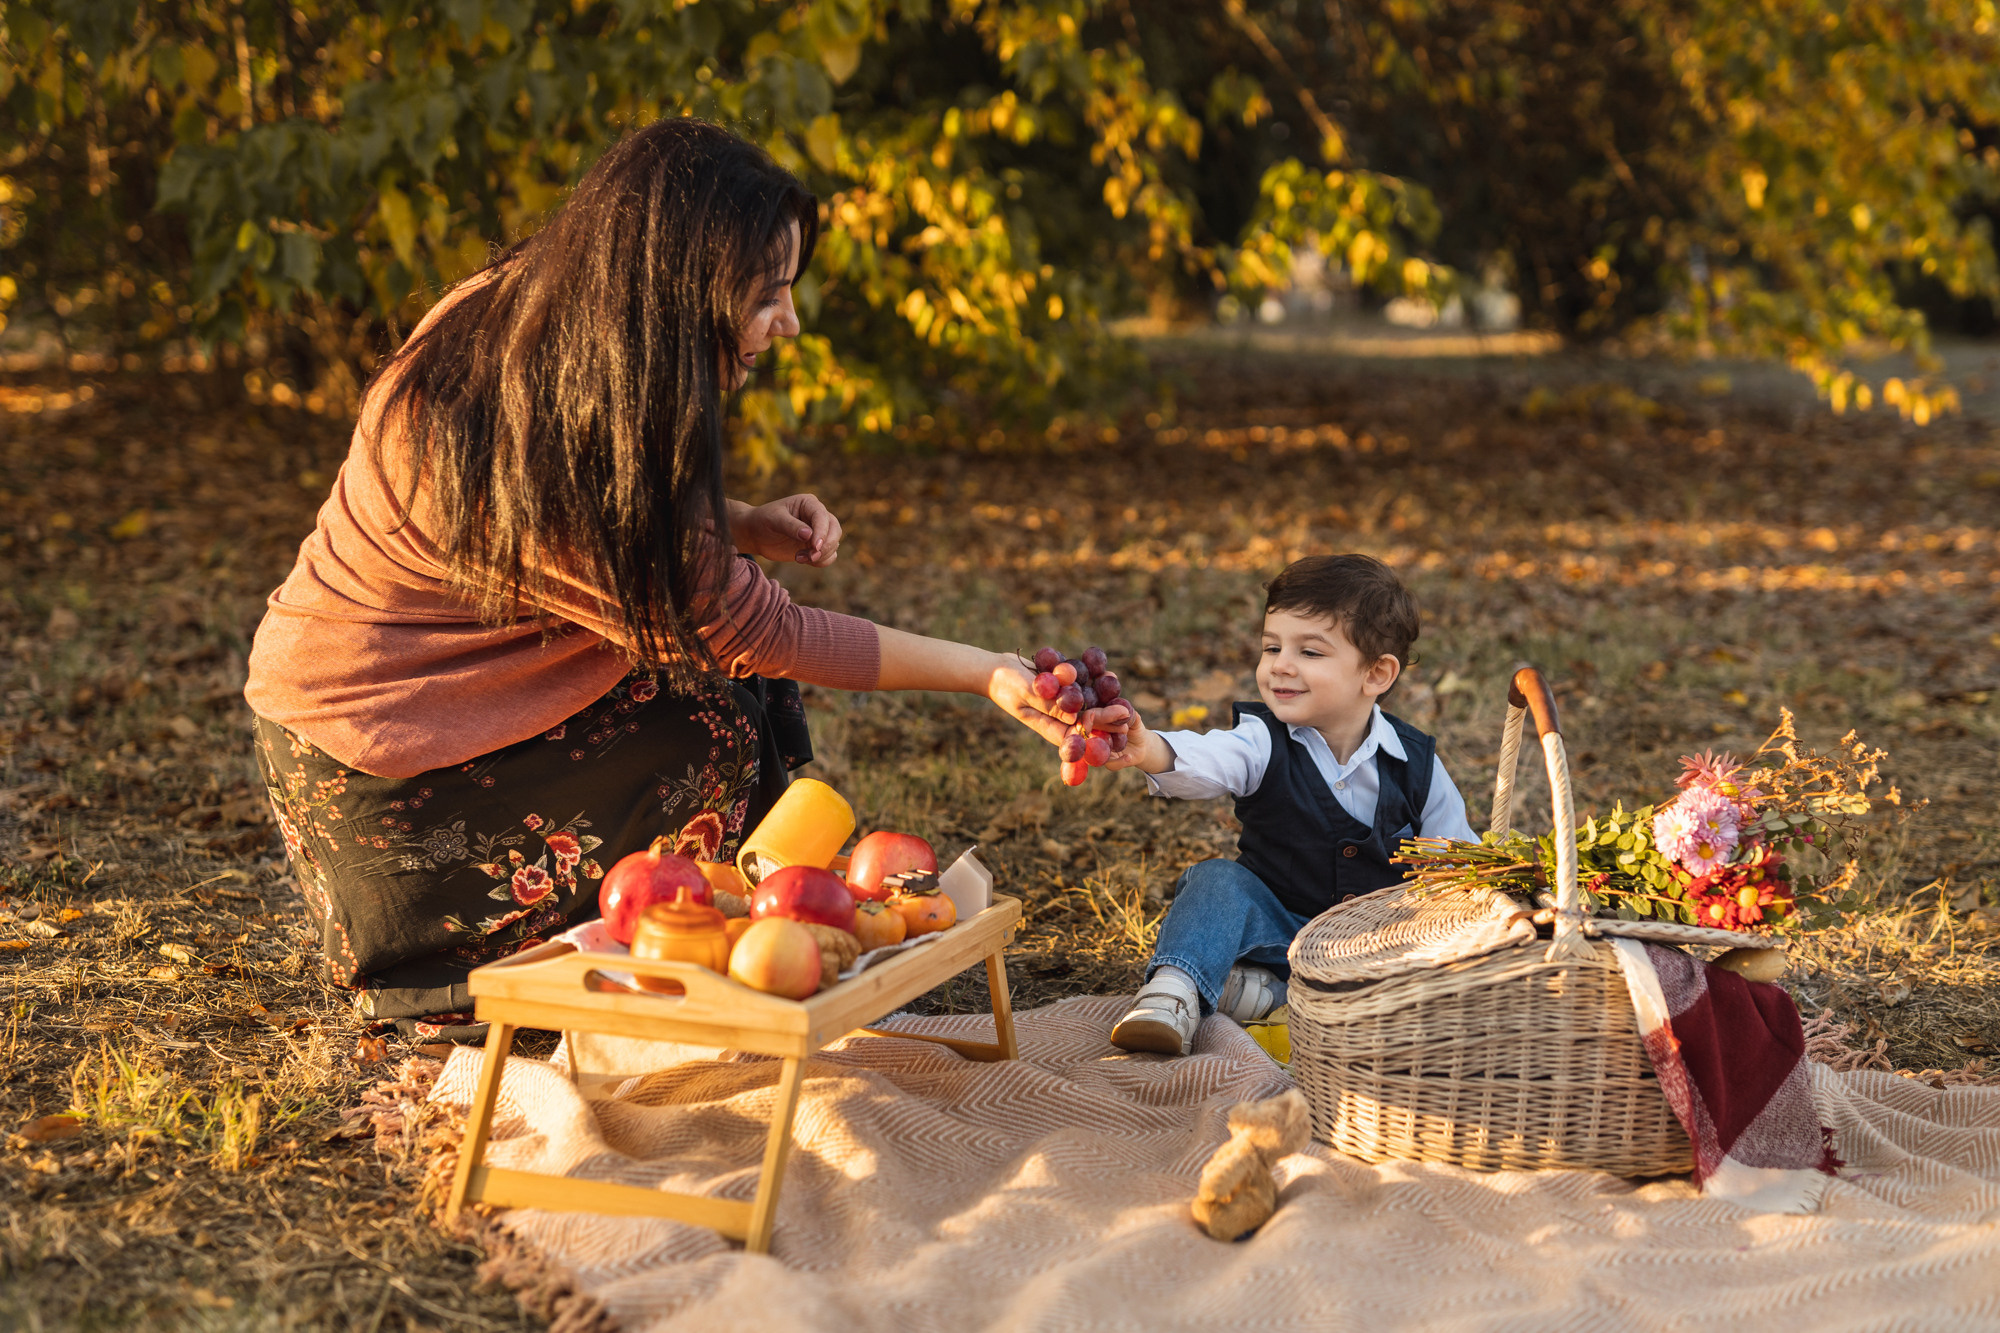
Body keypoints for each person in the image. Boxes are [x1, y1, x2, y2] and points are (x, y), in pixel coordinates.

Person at [243, 120, 1082, 1039]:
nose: (791, 323)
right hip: (385, 779)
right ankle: (460, 974)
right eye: (770, 297)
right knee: (716, 725)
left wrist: (737, 520)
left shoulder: (521, 314)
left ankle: (716, 925)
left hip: (375, 716)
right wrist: (985, 670)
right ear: (685, 291)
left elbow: (597, 524)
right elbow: (766, 630)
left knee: (730, 700)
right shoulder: (539, 435)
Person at [1103, 554, 1477, 1055]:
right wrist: (1151, 749)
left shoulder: (1416, 766)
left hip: (1374, 947)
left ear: (1376, 673)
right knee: (1216, 881)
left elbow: (1456, 858)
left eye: (1310, 653)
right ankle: (1173, 992)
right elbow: (1211, 759)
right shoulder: (1262, 741)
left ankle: (1271, 999)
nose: (1280, 664)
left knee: (1435, 938)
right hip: (1276, 933)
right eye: (1272, 646)